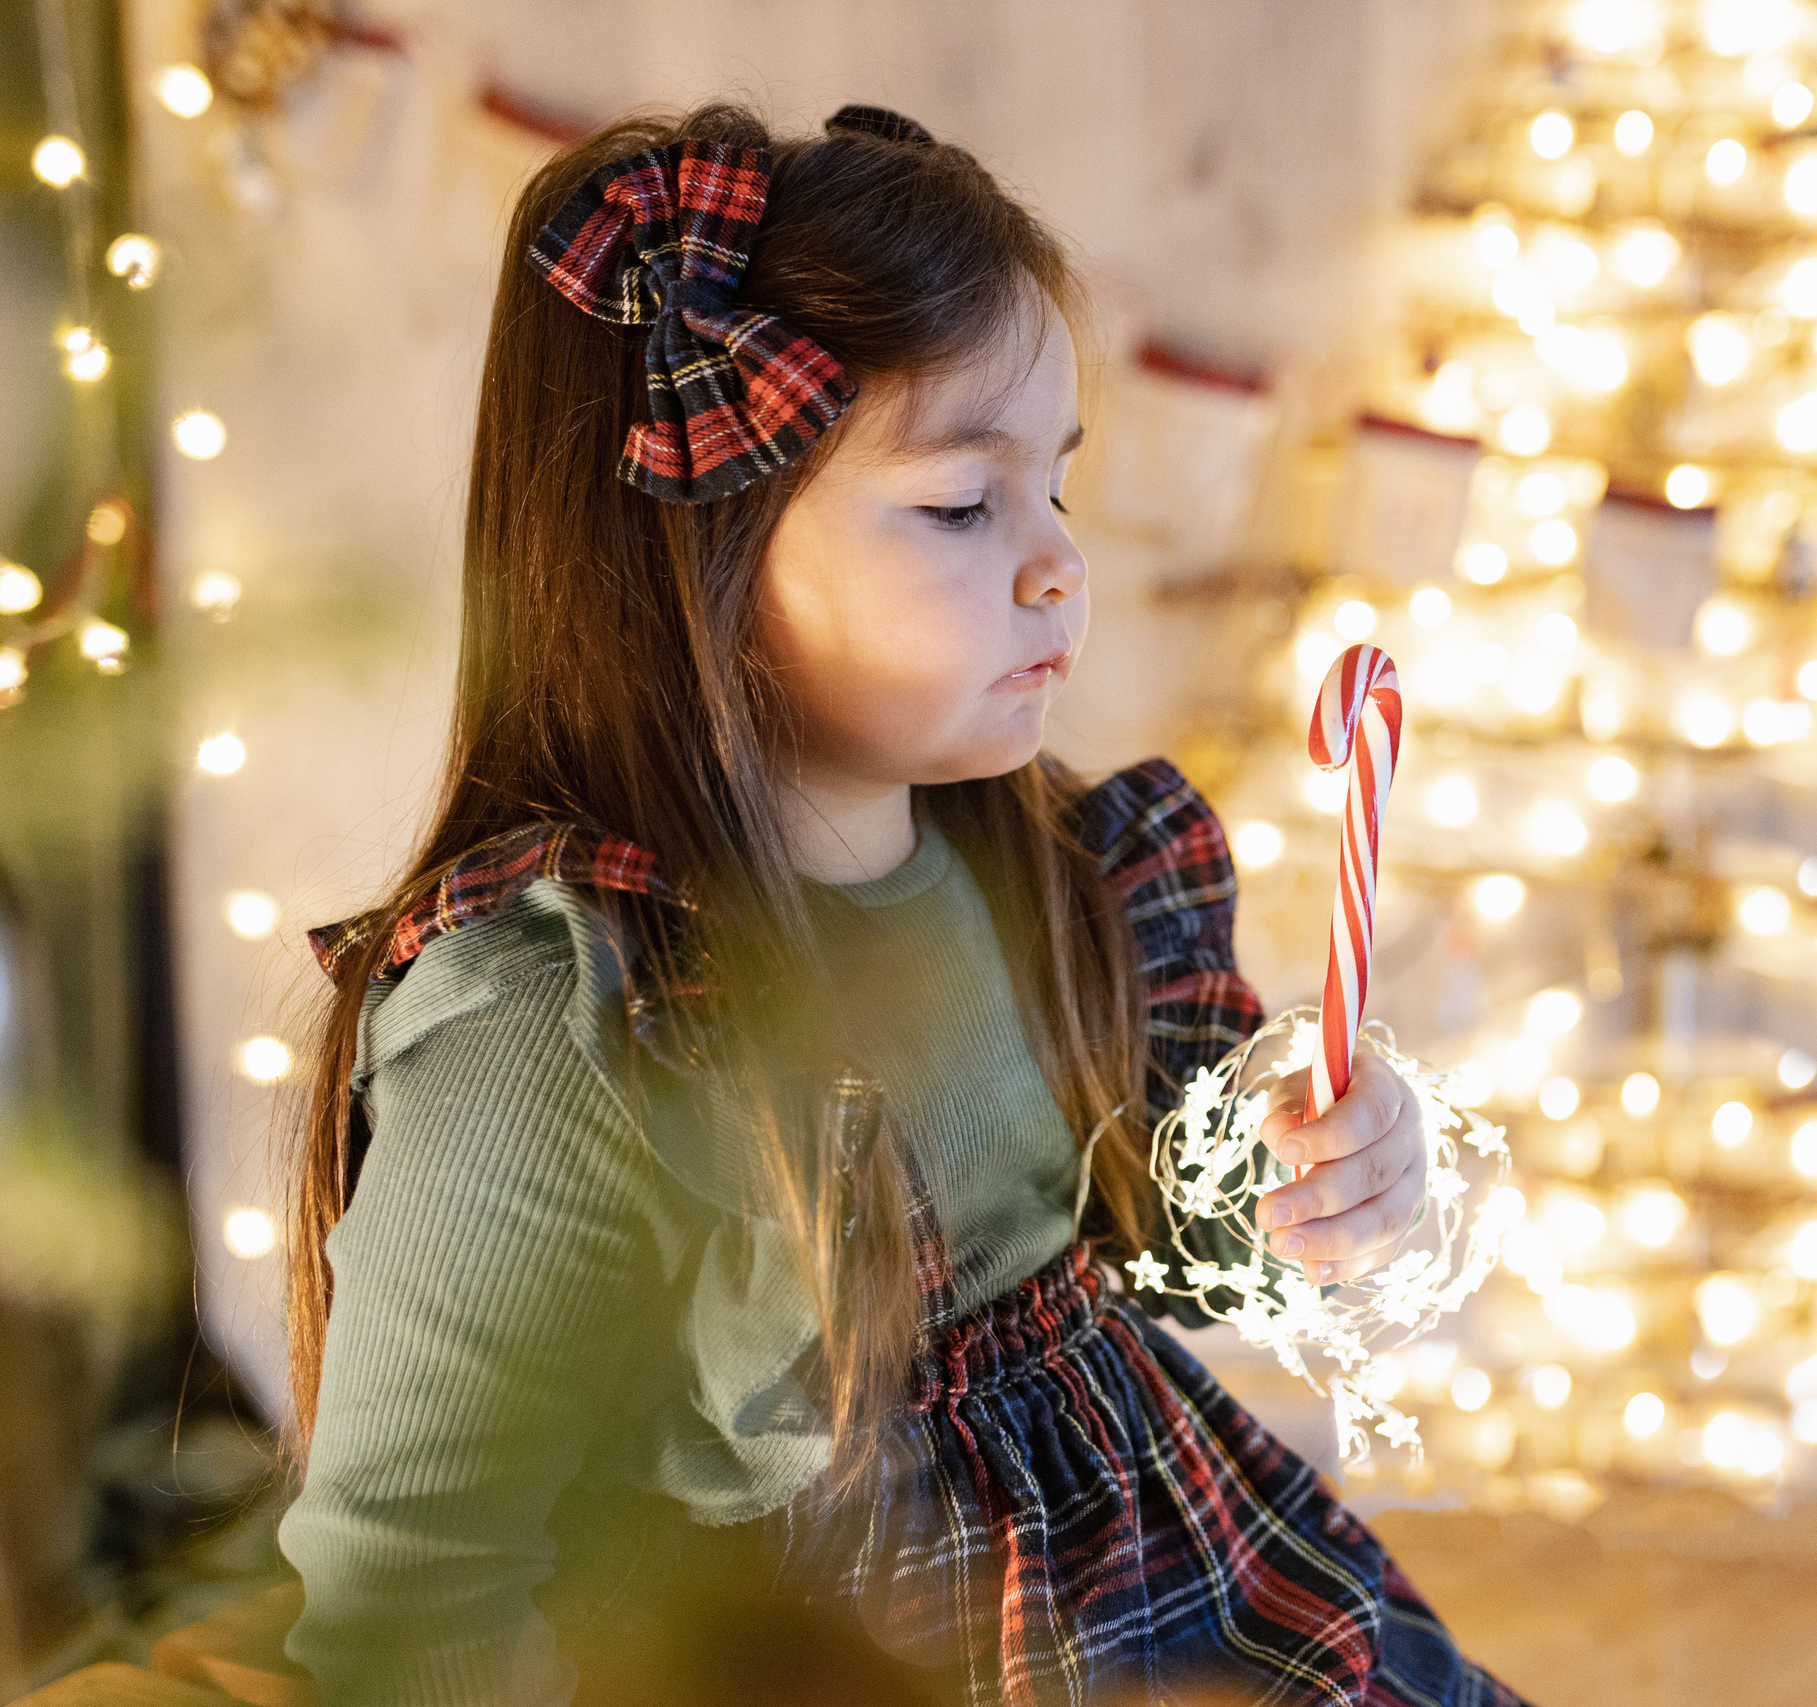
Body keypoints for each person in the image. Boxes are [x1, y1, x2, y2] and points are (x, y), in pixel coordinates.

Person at [277, 101, 1526, 1707]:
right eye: (960, 505)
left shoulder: (1053, 871)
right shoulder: (563, 1008)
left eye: (1056, 487)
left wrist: (1304, 1181)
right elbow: (415, 1570)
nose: (1060, 565)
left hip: (1186, 1593)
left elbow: (1184, 1257)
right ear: (700, 551)